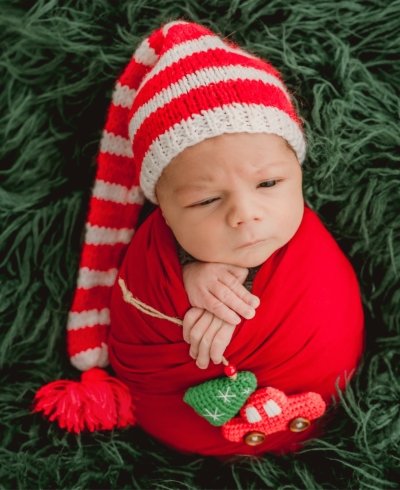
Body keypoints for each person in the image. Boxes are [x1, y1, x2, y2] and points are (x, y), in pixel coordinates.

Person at [34, 20, 364, 456]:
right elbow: (137, 292)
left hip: (326, 400)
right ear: (163, 210)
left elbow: (328, 301)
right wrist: (182, 277)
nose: (245, 213)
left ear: (298, 171)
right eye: (206, 200)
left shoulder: (309, 242)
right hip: (180, 420)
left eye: (268, 184)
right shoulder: (153, 249)